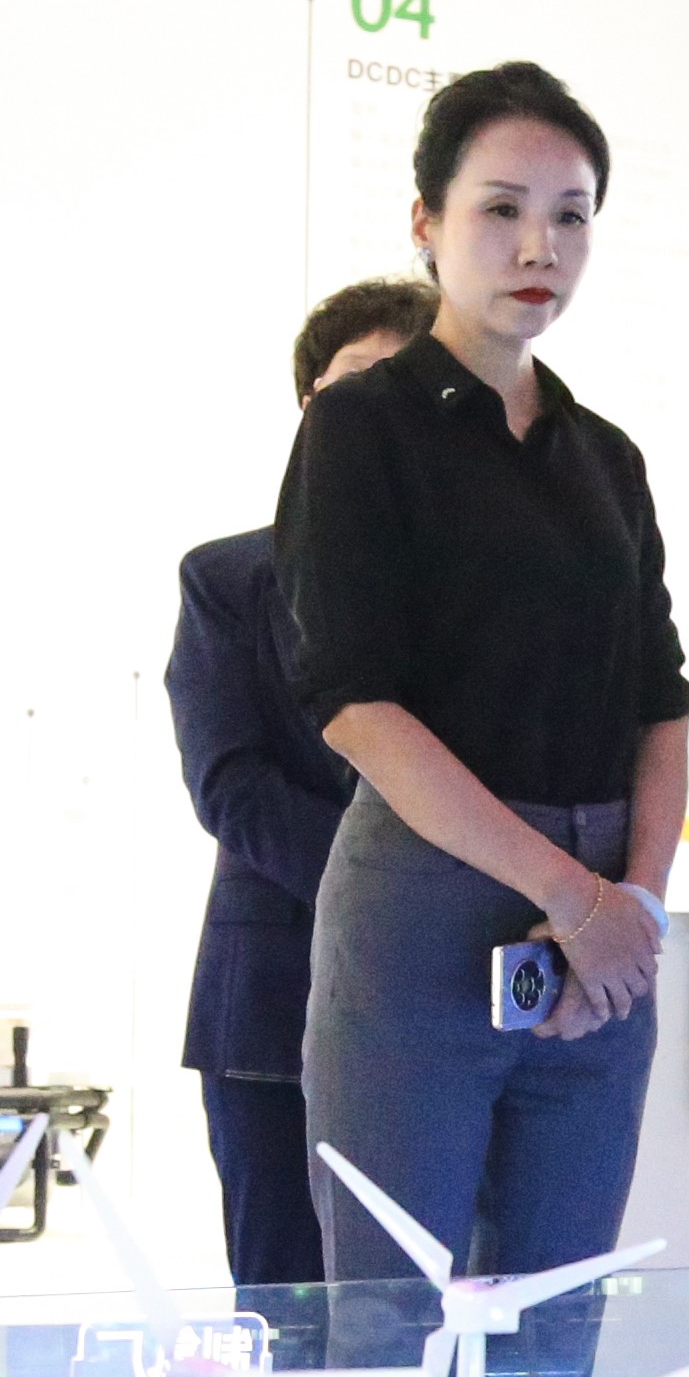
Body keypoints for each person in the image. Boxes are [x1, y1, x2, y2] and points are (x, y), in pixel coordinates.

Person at [278, 64, 688, 1377]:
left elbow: (661, 700)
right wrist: (569, 896)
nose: (537, 247)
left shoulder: (605, 456)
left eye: (569, 216)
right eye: (501, 209)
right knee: (392, 1322)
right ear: (426, 223)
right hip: (429, 891)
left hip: (603, 911)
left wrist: (632, 905)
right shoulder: (362, 427)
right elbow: (356, 704)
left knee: (554, 1324)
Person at [165, 279, 432, 1287]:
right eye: (355, 385)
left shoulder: (488, 595)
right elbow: (230, 787)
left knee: (435, 1309)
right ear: (310, 405)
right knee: (286, 1304)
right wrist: (402, 894)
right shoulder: (227, 579)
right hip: (275, 1001)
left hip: (447, 1007)